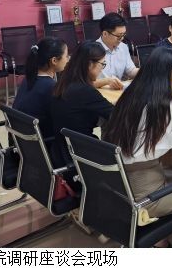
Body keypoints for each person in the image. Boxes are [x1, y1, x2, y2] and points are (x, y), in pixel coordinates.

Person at [102, 47, 172, 248]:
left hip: (118, 184)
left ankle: (160, 243)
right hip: (143, 194)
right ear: (171, 72)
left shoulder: (130, 95)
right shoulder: (164, 106)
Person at [51, 41, 114, 169]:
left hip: (61, 153)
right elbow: (117, 115)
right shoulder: (85, 91)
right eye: (102, 64)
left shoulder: (64, 83)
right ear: (90, 64)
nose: (102, 68)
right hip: (82, 159)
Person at [13, 37, 69, 139]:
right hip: (46, 142)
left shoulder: (28, 79)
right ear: (54, 60)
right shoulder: (51, 87)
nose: (68, 59)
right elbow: (64, 120)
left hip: (24, 142)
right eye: (66, 56)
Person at [95, 12, 138, 90]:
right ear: (105, 34)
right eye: (119, 36)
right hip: (99, 93)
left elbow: (131, 71)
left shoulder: (123, 47)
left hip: (117, 92)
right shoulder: (92, 50)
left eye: (124, 35)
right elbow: (84, 83)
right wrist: (106, 81)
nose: (122, 38)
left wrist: (145, 70)